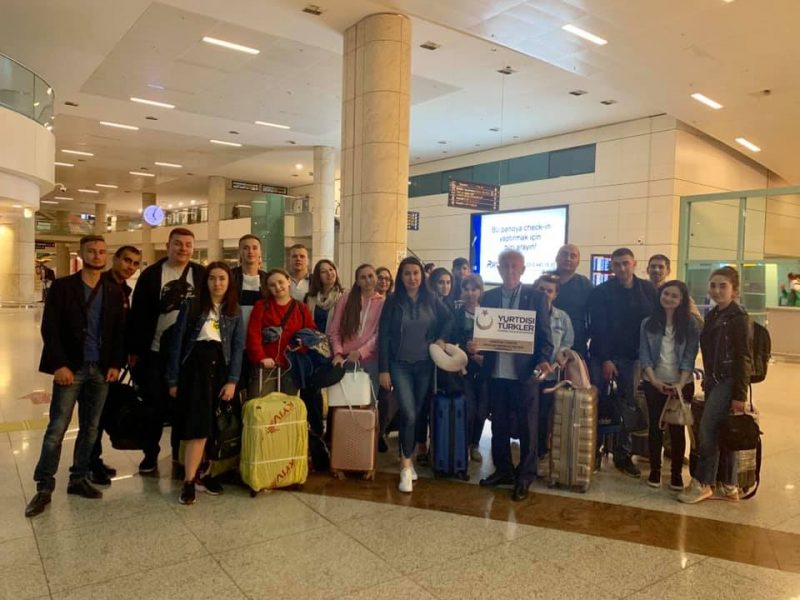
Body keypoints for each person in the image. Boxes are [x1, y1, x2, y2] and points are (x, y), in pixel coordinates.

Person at [25, 235, 125, 518]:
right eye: (92, 251)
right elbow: (50, 328)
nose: (97, 256)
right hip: (71, 367)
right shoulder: (63, 287)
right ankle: (44, 486)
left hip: (101, 370)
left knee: (91, 428)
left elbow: (119, 331)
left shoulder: (113, 290)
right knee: (57, 428)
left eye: (102, 251)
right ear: (82, 254)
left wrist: (115, 364)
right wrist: (59, 365)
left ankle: (78, 478)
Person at [472, 249, 554, 502]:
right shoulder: (489, 297)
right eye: (504, 266)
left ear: (522, 270)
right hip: (496, 372)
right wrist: (475, 345)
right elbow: (484, 333)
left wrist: (543, 359)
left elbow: (545, 337)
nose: (509, 270)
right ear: (498, 269)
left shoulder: (536, 297)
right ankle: (504, 470)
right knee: (499, 425)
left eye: (514, 266)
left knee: (528, 426)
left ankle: (525, 476)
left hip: (524, 373)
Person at [166, 262, 245, 505]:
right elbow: (177, 343)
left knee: (215, 427)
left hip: (220, 370)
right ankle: (189, 481)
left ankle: (204, 474)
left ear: (229, 282)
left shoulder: (234, 310)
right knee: (197, 428)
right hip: (195, 370)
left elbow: (237, 348)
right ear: (206, 281)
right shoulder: (192, 306)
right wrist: (173, 379)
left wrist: (232, 381)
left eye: (222, 278)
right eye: (212, 278)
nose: (217, 283)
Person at [128, 228, 205, 474]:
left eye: (188, 245)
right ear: (168, 245)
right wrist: (134, 350)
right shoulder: (151, 275)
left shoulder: (200, 274)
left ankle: (178, 454)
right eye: (178, 244)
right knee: (154, 405)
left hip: (188, 354)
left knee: (184, 406)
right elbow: (138, 314)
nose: (183, 249)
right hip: (155, 351)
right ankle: (150, 454)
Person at [379, 257, 453, 493]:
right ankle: (405, 466)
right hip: (399, 365)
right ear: (401, 277)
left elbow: (449, 319)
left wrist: (441, 339)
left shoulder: (431, 299)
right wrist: (383, 369)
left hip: (424, 365)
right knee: (409, 414)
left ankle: (408, 458)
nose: (412, 278)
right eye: (407, 273)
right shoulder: (392, 301)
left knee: (417, 413)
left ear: (422, 275)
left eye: (416, 273)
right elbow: (384, 336)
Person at [679, 267, 753, 504]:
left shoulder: (738, 318)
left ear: (734, 290)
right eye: (713, 285)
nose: (717, 290)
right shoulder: (714, 315)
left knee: (707, 430)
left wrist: (740, 395)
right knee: (721, 431)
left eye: (723, 286)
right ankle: (727, 483)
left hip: (728, 381)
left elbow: (744, 357)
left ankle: (703, 482)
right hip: (715, 381)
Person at [588, 247, 659, 478]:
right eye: (617, 264)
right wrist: (606, 359)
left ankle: (623, 454)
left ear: (634, 264)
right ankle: (595, 450)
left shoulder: (648, 289)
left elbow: (655, 323)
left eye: (625, 263)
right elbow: (598, 327)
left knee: (628, 405)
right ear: (611, 266)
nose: (621, 268)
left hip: (633, 358)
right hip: (603, 356)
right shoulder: (601, 292)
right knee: (599, 403)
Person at [639, 280, 700, 491]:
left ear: (682, 300)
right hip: (654, 382)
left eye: (675, 296)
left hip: (682, 383)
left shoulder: (690, 324)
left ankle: (676, 474)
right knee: (655, 427)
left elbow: (690, 356)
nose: (669, 298)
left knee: (677, 429)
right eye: (666, 294)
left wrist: (680, 384)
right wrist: (655, 381)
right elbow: (644, 355)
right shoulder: (648, 323)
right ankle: (655, 471)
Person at [89, 244, 142, 485]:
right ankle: (88, 464)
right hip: (98, 363)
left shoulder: (123, 289)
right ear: (115, 259)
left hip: (113, 363)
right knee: (93, 417)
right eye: (127, 260)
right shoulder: (101, 285)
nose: (130, 266)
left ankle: (93, 460)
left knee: (101, 415)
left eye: (135, 263)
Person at [329, 264, 385, 446]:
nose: (367, 280)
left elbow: (379, 334)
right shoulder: (346, 299)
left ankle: (365, 449)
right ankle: (344, 448)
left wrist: (361, 352)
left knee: (368, 406)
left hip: (370, 362)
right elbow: (334, 330)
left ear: (376, 278)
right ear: (357, 281)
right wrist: (338, 353)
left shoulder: (382, 302)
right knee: (344, 407)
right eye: (363, 277)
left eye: (370, 276)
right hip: (345, 361)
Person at [246, 268, 315, 396]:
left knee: (287, 404)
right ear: (268, 288)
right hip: (266, 365)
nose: (277, 287)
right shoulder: (261, 306)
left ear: (288, 281)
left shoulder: (301, 308)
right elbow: (253, 334)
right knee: (261, 402)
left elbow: (310, 332)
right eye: (272, 285)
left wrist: (302, 344)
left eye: (280, 282)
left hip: (291, 366)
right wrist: (261, 357)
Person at [533, 273, 574, 473]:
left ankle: (540, 450)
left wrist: (562, 353)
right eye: (541, 290)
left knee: (544, 414)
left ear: (555, 294)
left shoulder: (562, 317)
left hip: (550, 374)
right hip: (527, 373)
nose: (545, 294)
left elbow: (568, 341)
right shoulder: (525, 314)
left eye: (549, 291)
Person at [453, 274, 488, 462]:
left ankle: (475, 444)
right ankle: (465, 445)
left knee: (482, 410)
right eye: (466, 289)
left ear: (480, 291)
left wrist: (485, 357)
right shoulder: (456, 314)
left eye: (474, 289)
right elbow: (451, 340)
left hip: (485, 368)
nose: (470, 293)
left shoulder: (489, 313)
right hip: (464, 368)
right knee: (469, 408)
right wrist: (466, 349)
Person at [552, 244, 592, 358]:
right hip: (547, 346)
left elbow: (595, 315)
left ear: (578, 261)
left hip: (577, 346)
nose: (568, 258)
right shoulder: (545, 281)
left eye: (573, 256)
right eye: (564, 254)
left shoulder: (585, 284)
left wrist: (586, 335)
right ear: (556, 258)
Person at [305, 259, 345, 332]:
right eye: (323, 271)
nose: (329, 273)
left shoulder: (344, 296)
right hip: (313, 337)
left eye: (331, 269)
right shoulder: (310, 298)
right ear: (318, 276)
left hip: (334, 337)